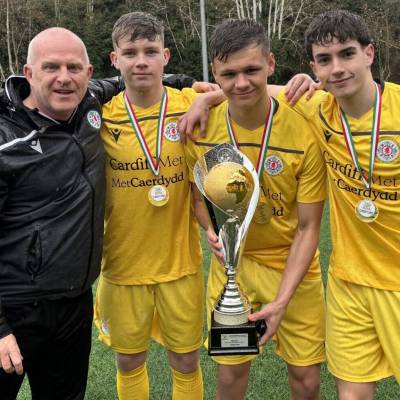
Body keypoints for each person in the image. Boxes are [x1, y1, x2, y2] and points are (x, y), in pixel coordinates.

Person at [184, 18, 326, 400]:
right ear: (214, 73)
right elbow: (198, 199)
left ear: (270, 63)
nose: (241, 83)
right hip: (234, 268)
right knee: (231, 377)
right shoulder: (199, 127)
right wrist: (211, 232)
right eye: (228, 74)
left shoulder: (304, 127)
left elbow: (308, 228)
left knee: (306, 378)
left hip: (292, 266)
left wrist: (281, 301)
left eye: (251, 70)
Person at [93, 12, 223, 400]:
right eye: (130, 52)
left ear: (165, 56)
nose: (141, 61)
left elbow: (249, 88)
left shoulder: (191, 102)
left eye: (150, 51)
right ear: (114, 60)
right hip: (121, 267)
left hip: (179, 267)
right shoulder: (100, 116)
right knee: (129, 361)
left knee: (185, 362)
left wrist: (214, 95)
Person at [271, 9, 400, 400]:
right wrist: (198, 102)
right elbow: (248, 87)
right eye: (324, 60)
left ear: (370, 54)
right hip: (348, 282)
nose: (337, 68)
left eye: (347, 54)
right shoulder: (318, 108)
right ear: (313, 67)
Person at [0, 27, 123, 400]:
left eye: (74, 67)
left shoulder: (88, 103)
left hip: (73, 302)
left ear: (88, 74)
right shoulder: (6, 137)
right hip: (14, 307)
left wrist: (197, 88)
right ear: (29, 73)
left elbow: (138, 77)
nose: (64, 78)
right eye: (51, 67)